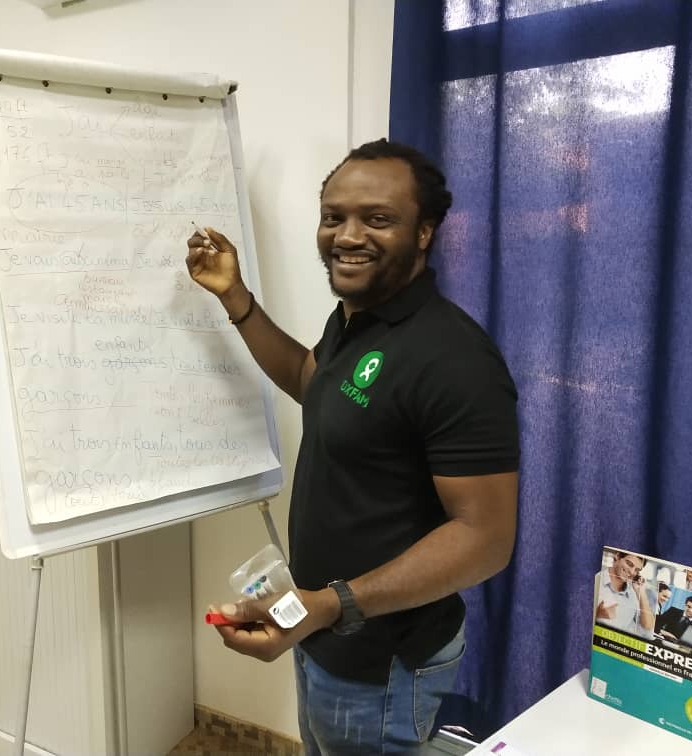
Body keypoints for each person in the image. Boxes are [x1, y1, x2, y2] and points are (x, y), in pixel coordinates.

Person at [185, 138, 520, 754]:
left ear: (424, 232)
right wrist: (236, 298)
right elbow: (311, 382)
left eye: (377, 218)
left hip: (382, 664)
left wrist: (333, 603)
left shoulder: (455, 360)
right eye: (333, 216)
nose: (347, 235)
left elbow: (485, 539)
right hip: (320, 630)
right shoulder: (354, 321)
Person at [595, 551, 654, 637]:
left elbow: (648, 626)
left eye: (637, 570)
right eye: (629, 564)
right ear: (618, 556)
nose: (632, 572)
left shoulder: (633, 593)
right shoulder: (596, 580)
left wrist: (641, 591)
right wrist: (597, 614)